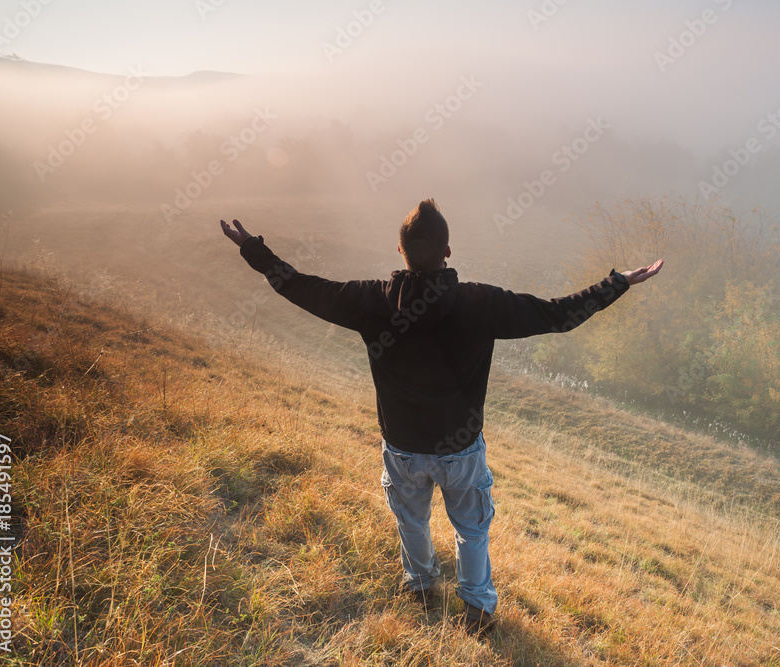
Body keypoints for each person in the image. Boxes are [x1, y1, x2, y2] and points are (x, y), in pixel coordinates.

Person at [221, 199, 663, 636]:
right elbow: (558, 314)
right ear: (447, 252)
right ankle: (476, 610)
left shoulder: (370, 300)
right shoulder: (480, 302)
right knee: (472, 531)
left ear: (402, 252)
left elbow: (300, 286)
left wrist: (253, 251)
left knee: (412, 521)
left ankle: (420, 587)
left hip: (403, 447)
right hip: (461, 450)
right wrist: (617, 282)